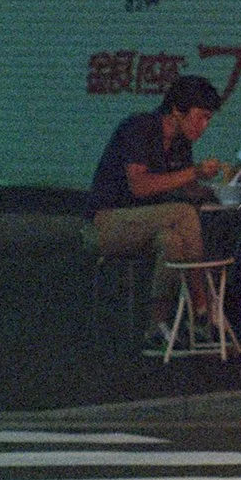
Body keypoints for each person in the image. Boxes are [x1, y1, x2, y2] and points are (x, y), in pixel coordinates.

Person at [88, 74, 228, 334]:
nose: (204, 125)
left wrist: (221, 191)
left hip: (149, 221)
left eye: (209, 119)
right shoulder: (139, 127)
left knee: (172, 242)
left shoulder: (180, 143)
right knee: (183, 214)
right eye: (202, 117)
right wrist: (195, 173)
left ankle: (158, 327)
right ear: (177, 110)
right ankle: (202, 305)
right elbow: (140, 186)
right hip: (107, 221)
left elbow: (180, 185)